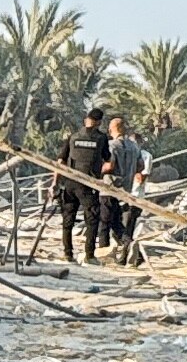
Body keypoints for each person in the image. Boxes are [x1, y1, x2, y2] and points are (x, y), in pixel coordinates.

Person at [59, 110, 111, 263]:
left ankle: (67, 254)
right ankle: (89, 255)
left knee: (68, 219)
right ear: (99, 122)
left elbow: (60, 161)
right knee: (92, 219)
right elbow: (108, 159)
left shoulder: (73, 137)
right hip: (88, 184)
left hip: (69, 183)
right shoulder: (101, 138)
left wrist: (56, 183)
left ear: (86, 120)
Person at [100, 116, 150, 265]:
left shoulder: (111, 145)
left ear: (111, 129)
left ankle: (104, 254)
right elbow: (140, 167)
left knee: (104, 223)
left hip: (109, 187)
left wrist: (96, 170)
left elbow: (109, 166)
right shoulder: (134, 146)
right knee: (116, 223)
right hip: (125, 189)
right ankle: (132, 248)